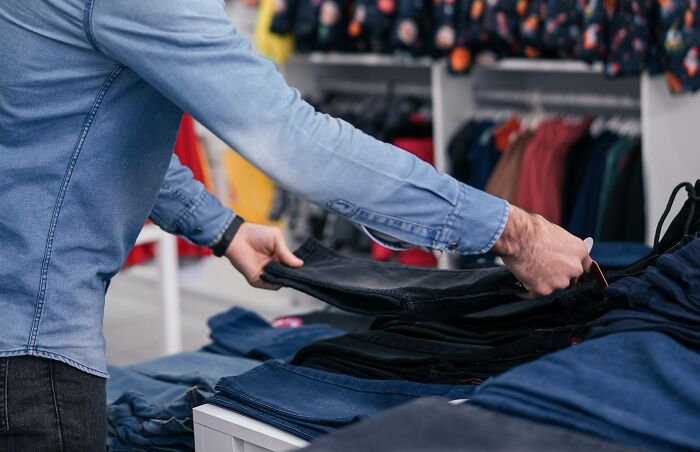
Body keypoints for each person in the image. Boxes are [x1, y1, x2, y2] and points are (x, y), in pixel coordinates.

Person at [0, 0, 592, 449]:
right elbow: (293, 140)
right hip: (29, 351)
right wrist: (515, 232)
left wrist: (223, 227)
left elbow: (79, 128)